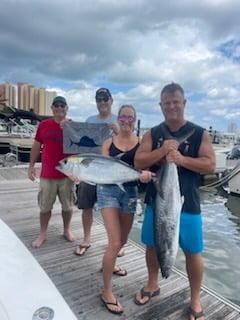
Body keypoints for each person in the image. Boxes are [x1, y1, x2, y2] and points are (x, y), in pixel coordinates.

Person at [134, 83, 216, 320]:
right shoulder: (153, 133)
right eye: (167, 103)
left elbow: (210, 164)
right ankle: (152, 284)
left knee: (193, 251)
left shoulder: (200, 133)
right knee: (152, 245)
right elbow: (139, 161)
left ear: (184, 103)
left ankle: (196, 299)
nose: (171, 106)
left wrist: (180, 159)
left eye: (176, 102)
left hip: (187, 202)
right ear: (161, 106)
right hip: (157, 200)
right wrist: (163, 151)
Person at [98, 104, 154, 315]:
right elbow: (101, 168)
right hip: (108, 192)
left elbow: (145, 166)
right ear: (118, 119)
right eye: (123, 117)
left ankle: (110, 265)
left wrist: (145, 174)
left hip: (130, 193)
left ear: (135, 119)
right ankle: (106, 291)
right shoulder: (107, 143)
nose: (126, 121)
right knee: (114, 242)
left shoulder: (141, 144)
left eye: (131, 118)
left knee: (122, 241)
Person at [74, 88, 122, 256]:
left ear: (111, 100)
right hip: (89, 169)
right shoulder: (89, 120)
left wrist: (117, 131)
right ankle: (87, 238)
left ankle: (115, 243)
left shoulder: (119, 120)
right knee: (86, 206)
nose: (102, 102)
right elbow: (81, 144)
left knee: (112, 208)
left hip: (110, 172)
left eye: (105, 99)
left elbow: (129, 144)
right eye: (99, 99)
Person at [28, 96, 76, 248]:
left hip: (68, 174)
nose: (59, 108)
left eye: (62, 105)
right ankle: (43, 233)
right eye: (56, 105)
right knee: (45, 207)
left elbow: (82, 147)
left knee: (68, 206)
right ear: (52, 108)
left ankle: (67, 230)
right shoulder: (43, 125)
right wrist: (31, 166)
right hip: (48, 174)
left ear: (67, 108)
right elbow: (36, 146)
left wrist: (70, 128)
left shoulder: (72, 125)